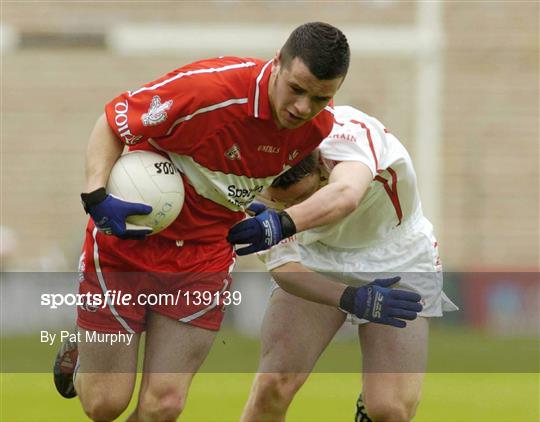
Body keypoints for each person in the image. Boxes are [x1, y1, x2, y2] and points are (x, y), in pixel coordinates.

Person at [53, 22, 350, 421]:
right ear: (277, 63)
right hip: (130, 243)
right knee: (106, 404)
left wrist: (251, 207)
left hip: (204, 257)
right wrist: (95, 196)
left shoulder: (318, 127)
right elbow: (112, 120)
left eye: (321, 97)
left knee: (165, 404)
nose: (304, 108)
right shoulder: (205, 92)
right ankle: (85, 352)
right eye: (297, 89)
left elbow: (238, 170)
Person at [238, 105, 458, 422]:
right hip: (315, 256)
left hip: (397, 254)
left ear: (325, 170)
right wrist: (351, 297)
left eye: (299, 200)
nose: (289, 208)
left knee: (389, 410)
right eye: (281, 202)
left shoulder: (350, 139)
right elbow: (286, 268)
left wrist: (285, 221)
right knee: (273, 385)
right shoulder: (251, 178)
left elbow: (346, 194)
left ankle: (368, 406)